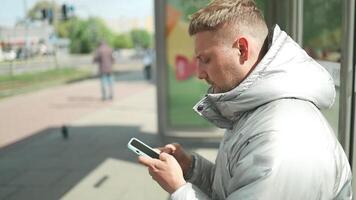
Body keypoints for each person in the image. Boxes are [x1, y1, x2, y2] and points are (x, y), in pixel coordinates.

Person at [138, 0, 352, 199]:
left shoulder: (282, 138)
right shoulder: (257, 111)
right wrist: (191, 169)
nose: (199, 73)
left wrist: (179, 188)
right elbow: (238, 185)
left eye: (206, 59)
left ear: (242, 49)